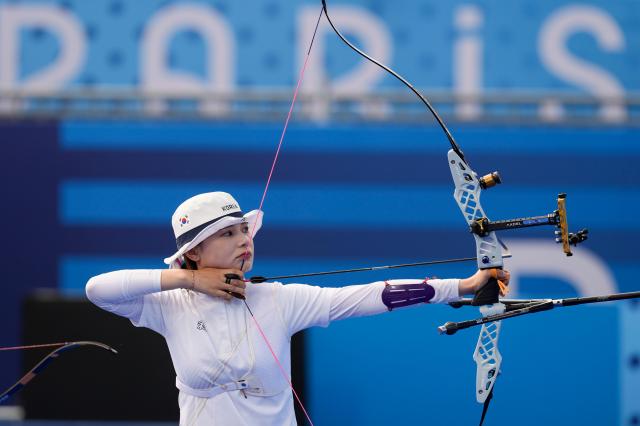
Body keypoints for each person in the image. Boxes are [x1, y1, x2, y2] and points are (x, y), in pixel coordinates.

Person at [86, 191, 510, 426]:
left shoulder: (278, 300)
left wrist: (463, 285)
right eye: (227, 234)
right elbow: (97, 289)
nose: (243, 240)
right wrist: (188, 280)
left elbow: (368, 295)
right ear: (194, 252)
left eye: (243, 230)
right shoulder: (170, 305)